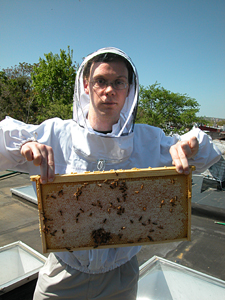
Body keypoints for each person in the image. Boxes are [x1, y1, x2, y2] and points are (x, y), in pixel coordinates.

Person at [0, 47, 221, 299]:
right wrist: (23, 145)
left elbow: (208, 154)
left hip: (120, 278)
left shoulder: (150, 140)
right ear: (86, 85)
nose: (109, 90)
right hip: (63, 274)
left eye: (119, 82)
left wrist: (191, 145)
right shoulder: (53, 134)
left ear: (129, 89)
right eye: (100, 81)